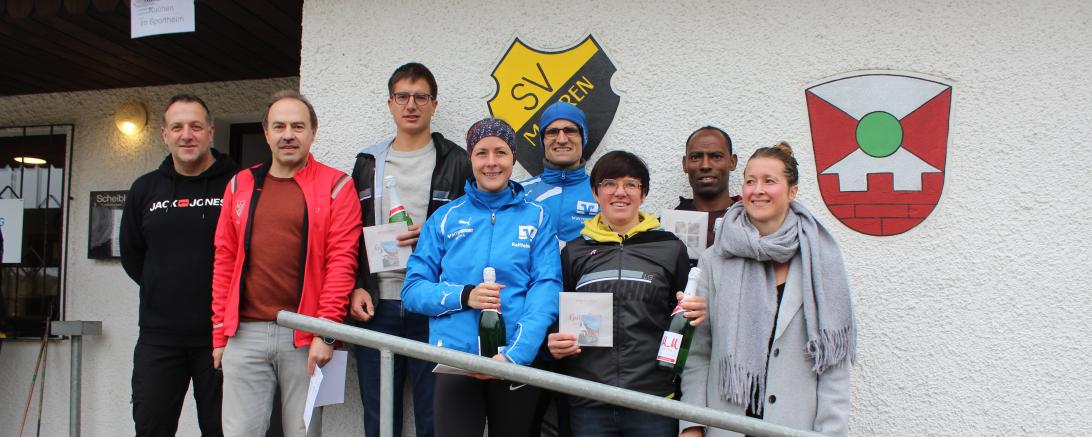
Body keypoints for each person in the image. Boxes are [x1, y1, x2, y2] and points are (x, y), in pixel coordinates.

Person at [210, 90, 361, 437]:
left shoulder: (337, 186)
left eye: (297, 126)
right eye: (279, 126)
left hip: (306, 336)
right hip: (243, 333)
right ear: (266, 133)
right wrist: (219, 334)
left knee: (303, 432)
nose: (288, 134)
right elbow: (224, 260)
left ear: (313, 132)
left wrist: (327, 333)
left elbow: (342, 263)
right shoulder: (240, 184)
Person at [679, 142, 856, 437]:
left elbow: (832, 364)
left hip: (794, 428)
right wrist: (692, 427)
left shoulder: (819, 260)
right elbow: (698, 354)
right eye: (750, 181)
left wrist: (831, 432)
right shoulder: (715, 259)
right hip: (726, 427)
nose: (757, 190)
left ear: (792, 191)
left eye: (769, 181)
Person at [401, 118, 561, 437]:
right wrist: (464, 295)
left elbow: (546, 289)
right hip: (455, 361)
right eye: (481, 153)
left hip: (514, 361)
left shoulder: (537, 217)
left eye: (500, 153)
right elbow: (413, 290)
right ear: (470, 159)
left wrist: (514, 355)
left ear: (513, 159)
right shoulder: (445, 218)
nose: (491, 162)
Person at [546, 150, 707, 437]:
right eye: (610, 183)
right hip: (589, 400)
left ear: (643, 194)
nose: (620, 192)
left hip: (653, 402)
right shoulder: (574, 252)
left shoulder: (670, 248)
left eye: (631, 184)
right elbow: (558, 314)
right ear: (596, 193)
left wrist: (697, 312)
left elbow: (685, 320)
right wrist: (556, 340)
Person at [349, 62, 471, 437]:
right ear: (390, 104)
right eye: (402, 96)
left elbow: (474, 230)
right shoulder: (367, 163)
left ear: (434, 104)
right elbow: (349, 232)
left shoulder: (458, 161)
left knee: (435, 417)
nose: (411, 105)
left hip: (433, 305)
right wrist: (355, 286)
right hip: (377, 305)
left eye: (421, 97)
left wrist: (435, 238)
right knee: (380, 417)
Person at [120, 94, 237, 437]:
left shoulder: (237, 184)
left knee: (223, 431)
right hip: (160, 338)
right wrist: (165, 285)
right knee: (151, 428)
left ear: (211, 132)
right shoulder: (145, 189)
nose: (187, 135)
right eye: (178, 127)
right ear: (164, 135)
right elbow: (132, 255)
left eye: (196, 126)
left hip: (223, 337)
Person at [519, 102, 598, 243]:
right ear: (543, 141)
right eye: (552, 132)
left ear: (583, 137)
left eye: (570, 131)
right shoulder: (518, 193)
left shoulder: (603, 193)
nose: (561, 140)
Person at [675, 126, 740, 251]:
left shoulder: (751, 220)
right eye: (695, 157)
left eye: (716, 156)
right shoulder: (667, 227)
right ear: (685, 164)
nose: (705, 165)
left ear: (732, 162)